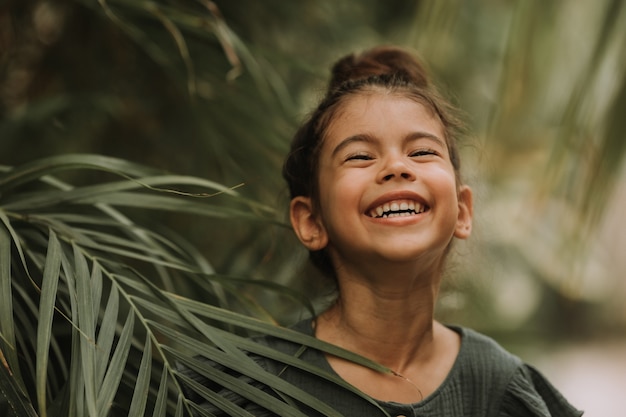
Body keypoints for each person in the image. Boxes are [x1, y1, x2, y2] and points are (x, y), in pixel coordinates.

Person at [184, 45, 583, 417]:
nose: (396, 167)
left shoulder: (499, 389)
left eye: (422, 151)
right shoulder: (250, 388)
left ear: (462, 210)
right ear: (311, 221)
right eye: (360, 156)